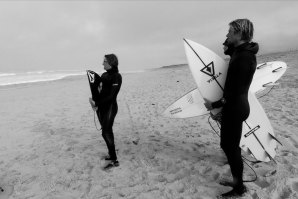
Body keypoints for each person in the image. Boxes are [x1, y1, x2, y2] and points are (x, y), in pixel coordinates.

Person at [204, 19, 259, 198]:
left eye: (229, 32)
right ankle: (237, 182)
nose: (227, 36)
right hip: (236, 106)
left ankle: (239, 188)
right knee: (228, 145)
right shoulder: (242, 53)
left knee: (231, 147)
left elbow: (233, 93)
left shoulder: (243, 58)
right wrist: (228, 47)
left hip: (235, 107)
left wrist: (215, 106)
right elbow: (230, 50)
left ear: (238, 33)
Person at [89, 54, 122, 170]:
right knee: (107, 130)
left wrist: (97, 103)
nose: (102, 63)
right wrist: (94, 100)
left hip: (111, 107)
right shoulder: (103, 75)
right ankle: (111, 152)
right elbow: (99, 91)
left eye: (104, 61)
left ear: (111, 62)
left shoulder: (117, 77)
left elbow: (112, 96)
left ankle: (113, 159)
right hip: (102, 107)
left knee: (106, 132)